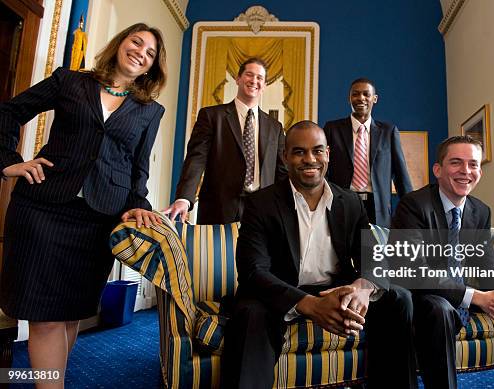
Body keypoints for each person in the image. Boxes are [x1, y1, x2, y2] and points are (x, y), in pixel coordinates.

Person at [0, 23, 167, 386]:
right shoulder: (70, 81)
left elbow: (138, 168)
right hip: (43, 208)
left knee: (72, 312)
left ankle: (50, 379)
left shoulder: (149, 110)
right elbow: (9, 112)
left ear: (152, 66)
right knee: (45, 315)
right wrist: (8, 160)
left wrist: (140, 203)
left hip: (98, 221)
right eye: (135, 42)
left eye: (150, 52)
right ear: (120, 44)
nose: (141, 51)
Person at [222, 120, 417, 389]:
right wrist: (311, 305)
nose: (309, 159)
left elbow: (373, 256)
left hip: (335, 291)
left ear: (328, 154)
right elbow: (253, 271)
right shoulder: (261, 203)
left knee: (399, 298)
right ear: (285, 157)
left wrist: (363, 287)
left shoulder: (349, 201)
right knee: (249, 314)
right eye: (299, 152)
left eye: (317, 151)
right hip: (280, 292)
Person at [390, 136, 494, 389]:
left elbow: (484, 260)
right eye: (456, 163)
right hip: (426, 297)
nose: (466, 171)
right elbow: (412, 271)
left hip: (464, 295)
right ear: (438, 170)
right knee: (439, 308)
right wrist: (477, 297)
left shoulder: (480, 210)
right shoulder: (413, 205)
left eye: (473, 164)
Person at [163, 57, 286, 224]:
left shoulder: (275, 127)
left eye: (260, 78)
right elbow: (196, 158)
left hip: (262, 210)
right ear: (238, 78)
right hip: (218, 207)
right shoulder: (211, 116)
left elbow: (282, 172)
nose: (254, 81)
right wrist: (184, 198)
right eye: (249, 75)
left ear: (264, 86)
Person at [323, 78, 412, 228]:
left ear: (374, 99)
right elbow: (323, 169)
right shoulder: (332, 129)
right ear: (349, 98)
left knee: (372, 251)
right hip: (343, 203)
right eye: (355, 94)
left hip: (377, 208)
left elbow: (400, 174)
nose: (361, 98)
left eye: (366, 94)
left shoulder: (388, 132)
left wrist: (412, 209)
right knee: (343, 250)